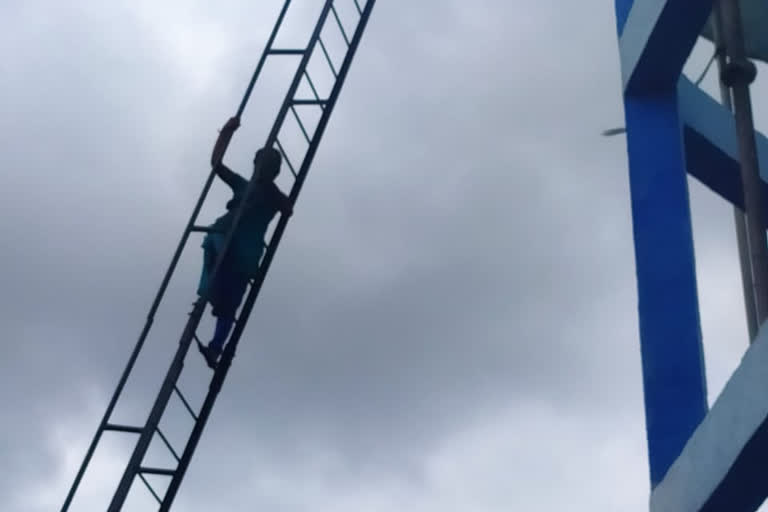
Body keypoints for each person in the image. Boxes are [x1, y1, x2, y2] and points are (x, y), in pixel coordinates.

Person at [196, 117, 293, 368]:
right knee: (217, 263)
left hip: (245, 254)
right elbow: (217, 164)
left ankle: (215, 348)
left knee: (230, 306)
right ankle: (207, 297)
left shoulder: (273, 195)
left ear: (273, 171)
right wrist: (226, 132)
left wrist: (269, 188)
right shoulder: (243, 184)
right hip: (223, 237)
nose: (259, 169)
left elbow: (287, 209)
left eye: (266, 167)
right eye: (259, 164)